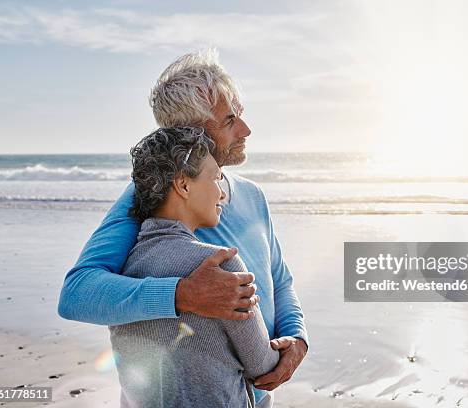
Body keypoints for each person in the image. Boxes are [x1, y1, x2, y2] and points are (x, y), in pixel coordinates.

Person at [58, 49, 308, 406]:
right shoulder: (149, 199)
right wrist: (181, 294)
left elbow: (280, 281)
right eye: (229, 120)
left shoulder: (254, 196)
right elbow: (77, 294)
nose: (246, 129)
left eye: (241, 114)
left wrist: (297, 339)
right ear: (189, 134)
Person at [112, 127, 278, 407]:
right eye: (216, 178)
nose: (222, 195)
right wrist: (287, 347)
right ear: (184, 185)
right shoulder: (219, 266)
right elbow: (261, 366)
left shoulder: (119, 272)